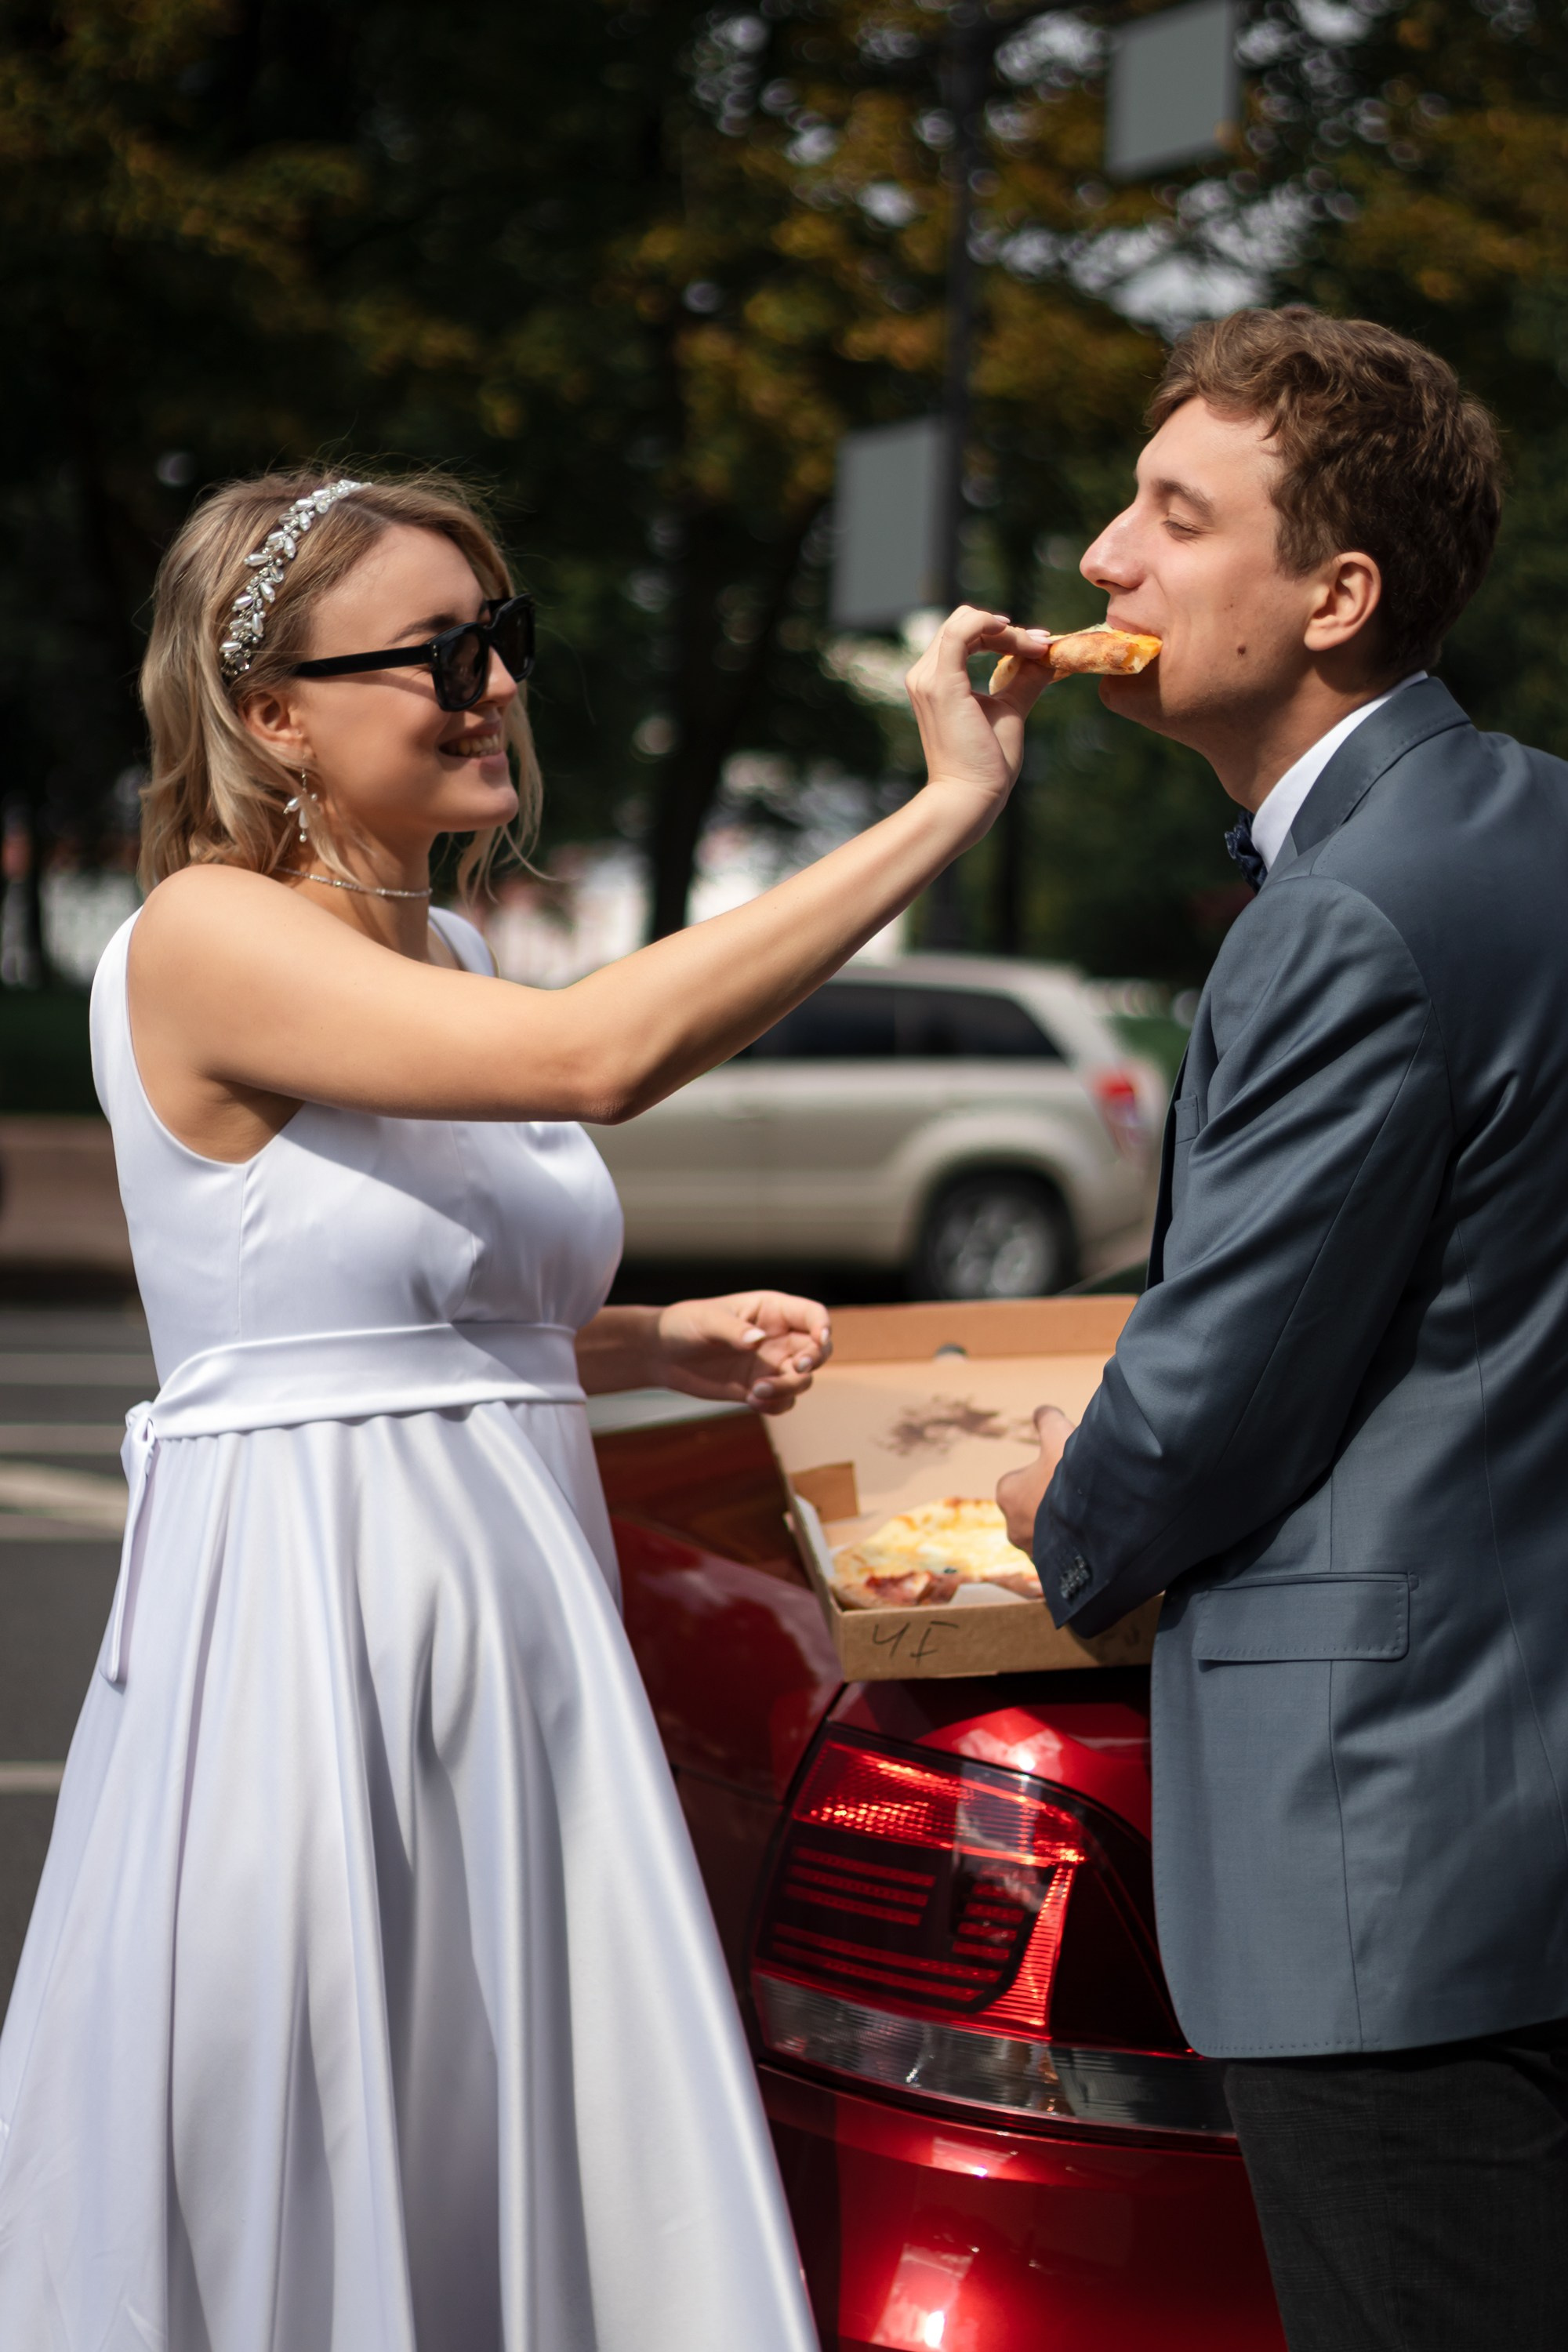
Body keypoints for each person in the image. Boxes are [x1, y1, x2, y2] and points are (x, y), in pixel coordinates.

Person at [0, 466, 1049, 2351]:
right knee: (334, 2125)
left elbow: (406, 1322)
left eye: (504, 641)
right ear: (272, 715)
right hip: (312, 1641)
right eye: (437, 649)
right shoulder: (205, 935)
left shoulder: (459, 952)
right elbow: (603, 1055)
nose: (488, 684)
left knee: (521, 2125)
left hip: (518, 1621)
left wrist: (653, 1345)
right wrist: (949, 801)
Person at [993, 305, 1568, 2352]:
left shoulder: (1341, 912)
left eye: (1171, 515)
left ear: (1338, 592)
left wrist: (1058, 1520)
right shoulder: (1533, 827)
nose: (1100, 567)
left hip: (1391, 1870)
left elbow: (1218, 1395)